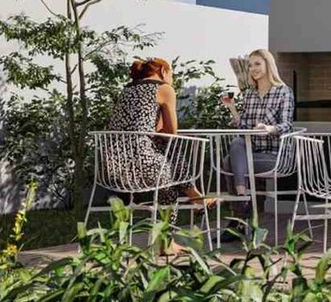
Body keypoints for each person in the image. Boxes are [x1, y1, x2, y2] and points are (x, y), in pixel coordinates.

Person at [107, 57, 213, 255]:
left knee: (165, 157)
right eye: (172, 74)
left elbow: (148, 129)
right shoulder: (164, 88)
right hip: (143, 165)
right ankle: (169, 239)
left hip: (113, 167)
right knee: (169, 180)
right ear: (164, 72)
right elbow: (171, 133)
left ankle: (195, 197)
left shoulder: (127, 89)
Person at [220, 49, 295, 240]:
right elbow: (244, 128)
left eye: (257, 64)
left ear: (268, 65)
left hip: (274, 155)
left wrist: (270, 128)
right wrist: (232, 109)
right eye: (250, 65)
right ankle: (242, 197)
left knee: (229, 162)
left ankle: (239, 216)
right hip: (252, 150)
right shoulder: (250, 94)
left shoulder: (283, 91)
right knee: (237, 142)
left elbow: (287, 125)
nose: (253, 68)